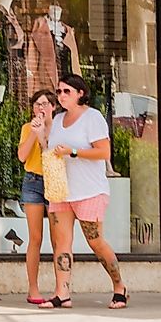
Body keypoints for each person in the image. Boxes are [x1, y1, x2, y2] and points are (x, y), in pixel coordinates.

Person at [46, 73, 128, 308]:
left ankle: (119, 286)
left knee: (95, 241)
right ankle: (62, 292)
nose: (61, 96)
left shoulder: (92, 118)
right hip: (61, 190)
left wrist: (73, 152)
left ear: (80, 93)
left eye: (66, 92)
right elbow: (52, 151)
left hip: (89, 191)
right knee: (61, 243)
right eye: (59, 91)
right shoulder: (58, 120)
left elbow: (104, 153)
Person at [17, 87, 59, 306]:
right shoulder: (27, 128)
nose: (40, 108)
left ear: (53, 106)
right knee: (35, 238)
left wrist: (44, 134)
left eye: (44, 104)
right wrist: (34, 133)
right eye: (36, 104)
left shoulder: (60, 127)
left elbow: (51, 154)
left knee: (57, 239)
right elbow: (22, 157)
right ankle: (33, 288)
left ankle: (60, 288)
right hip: (33, 181)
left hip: (54, 182)